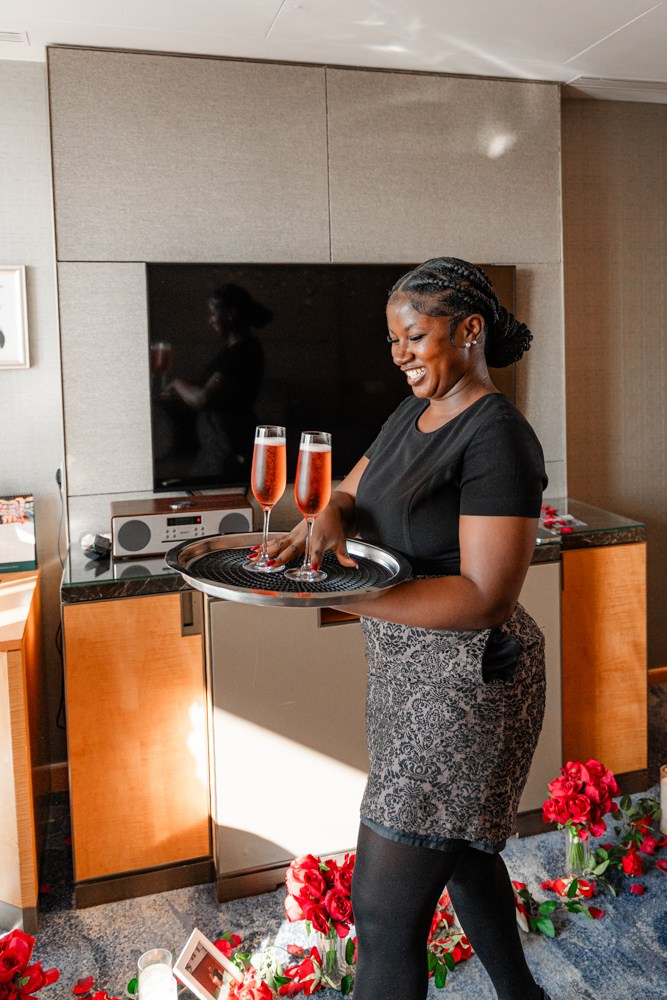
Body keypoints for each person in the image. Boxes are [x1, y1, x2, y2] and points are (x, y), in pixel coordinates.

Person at [267, 258, 552, 1000]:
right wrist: (323, 519)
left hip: (467, 681)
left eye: (412, 335)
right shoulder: (411, 412)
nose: (398, 352)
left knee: (384, 912)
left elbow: (485, 597)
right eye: (391, 338)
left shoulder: (497, 436)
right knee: (455, 852)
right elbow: (349, 496)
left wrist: (332, 596)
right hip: (403, 673)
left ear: (468, 331)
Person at [169, 283, 271, 481]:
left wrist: (176, 383)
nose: (210, 320)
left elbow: (203, 399)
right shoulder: (236, 351)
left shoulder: (240, 353)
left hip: (227, 448)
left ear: (230, 314)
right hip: (219, 446)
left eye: (213, 313)